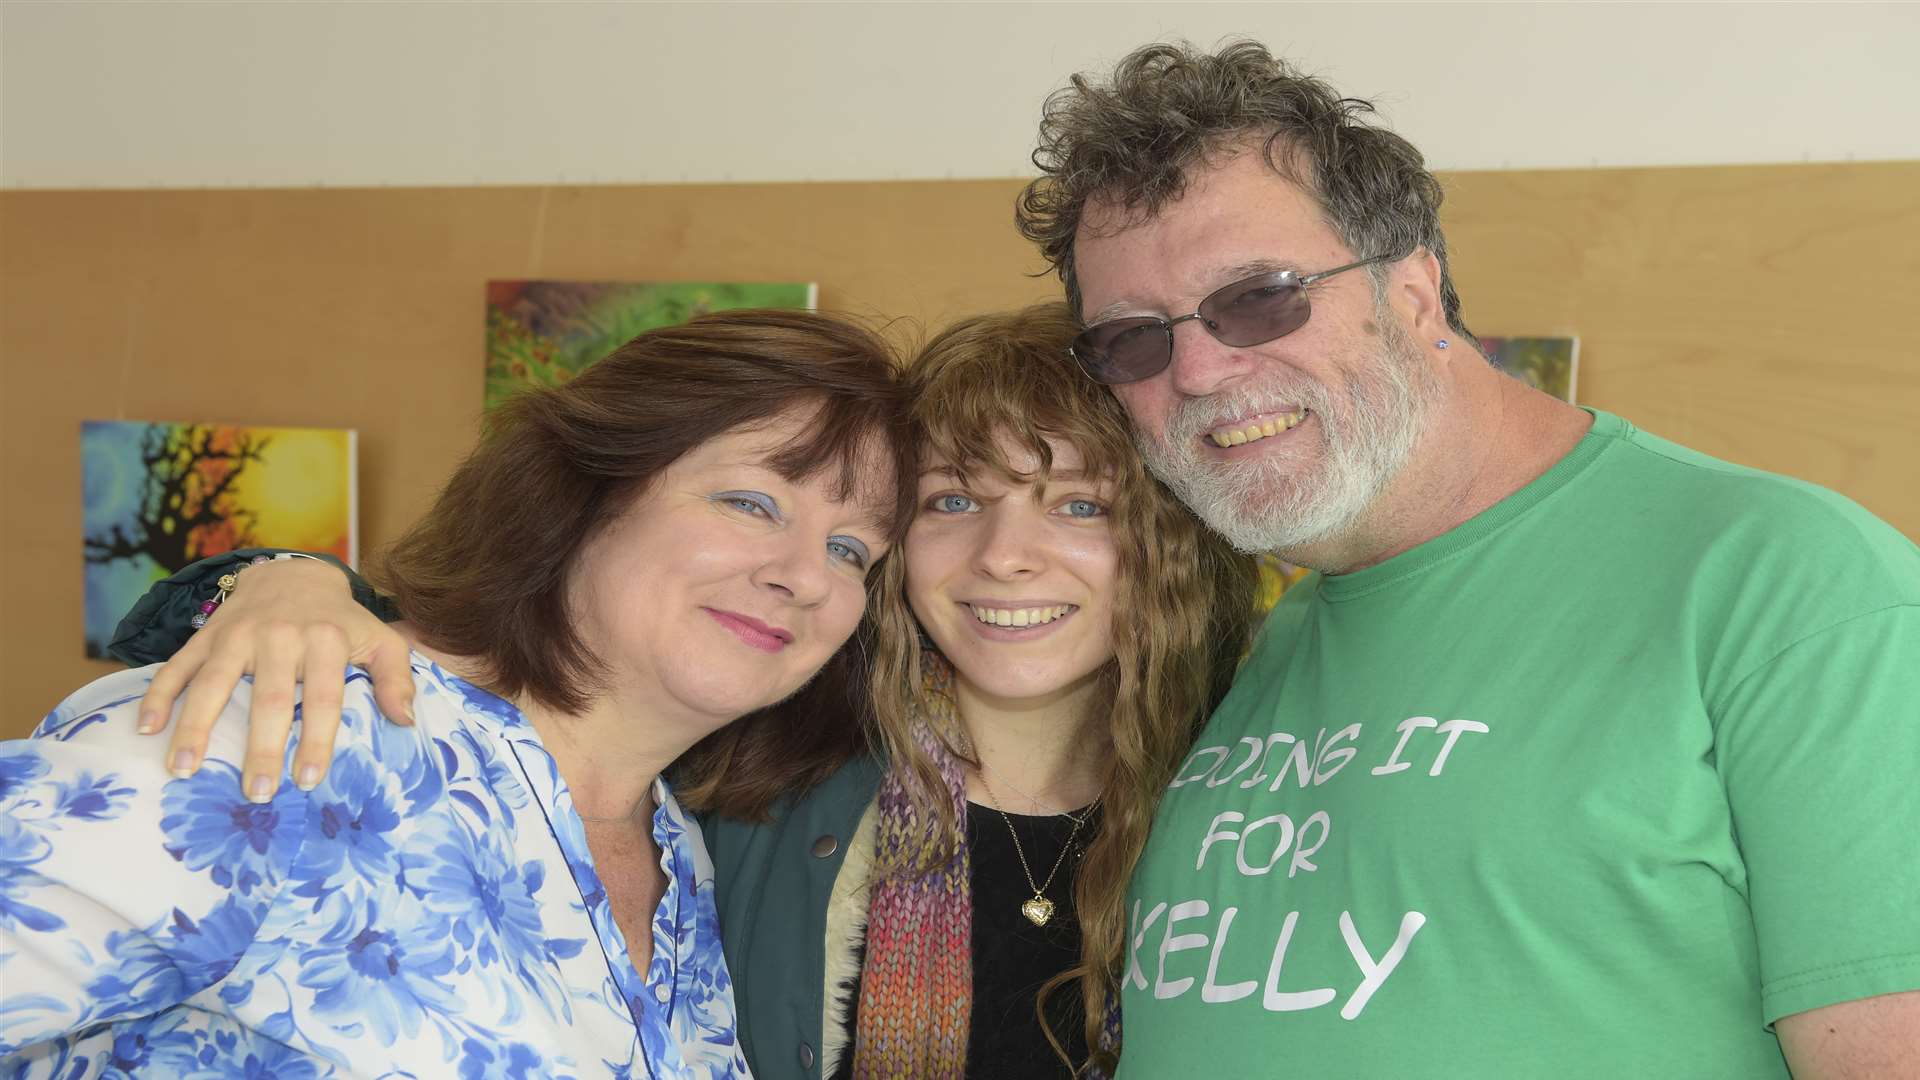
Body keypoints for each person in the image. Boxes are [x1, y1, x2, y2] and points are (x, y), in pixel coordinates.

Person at [1011, 39, 1920, 1077]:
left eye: (1259, 299)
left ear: (1413, 293)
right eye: (1133, 338)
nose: (1203, 368)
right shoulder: (1269, 638)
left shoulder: (1788, 584)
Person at [97, 304, 1257, 1079]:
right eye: (953, 500)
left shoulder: (1247, 796)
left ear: (1171, 540)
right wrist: (276, 578)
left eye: (1082, 505)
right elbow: (535, 684)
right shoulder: (760, 767)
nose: (1006, 555)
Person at [0, 309, 917, 1078]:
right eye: (753, 503)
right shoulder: (295, 737)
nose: (804, 575)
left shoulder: (686, 855)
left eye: (850, 552)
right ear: (582, 492)